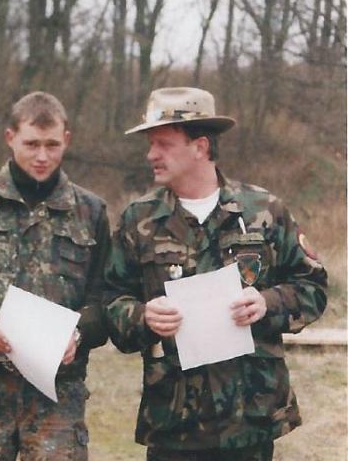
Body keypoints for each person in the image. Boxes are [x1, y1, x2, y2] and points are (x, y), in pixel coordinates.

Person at [105, 87, 328, 461]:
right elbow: (110, 301)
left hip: (250, 418)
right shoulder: (139, 220)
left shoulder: (264, 211)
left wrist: (268, 303)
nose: (151, 154)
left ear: (201, 147)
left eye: (163, 144)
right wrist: (142, 316)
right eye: (150, 144)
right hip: (174, 421)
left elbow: (313, 287)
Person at [0, 91, 111, 461]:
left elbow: (104, 298)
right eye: (31, 144)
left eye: (52, 145)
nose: (42, 156)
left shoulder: (91, 212)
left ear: (66, 139)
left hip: (58, 389)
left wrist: (79, 334)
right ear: (10, 137)